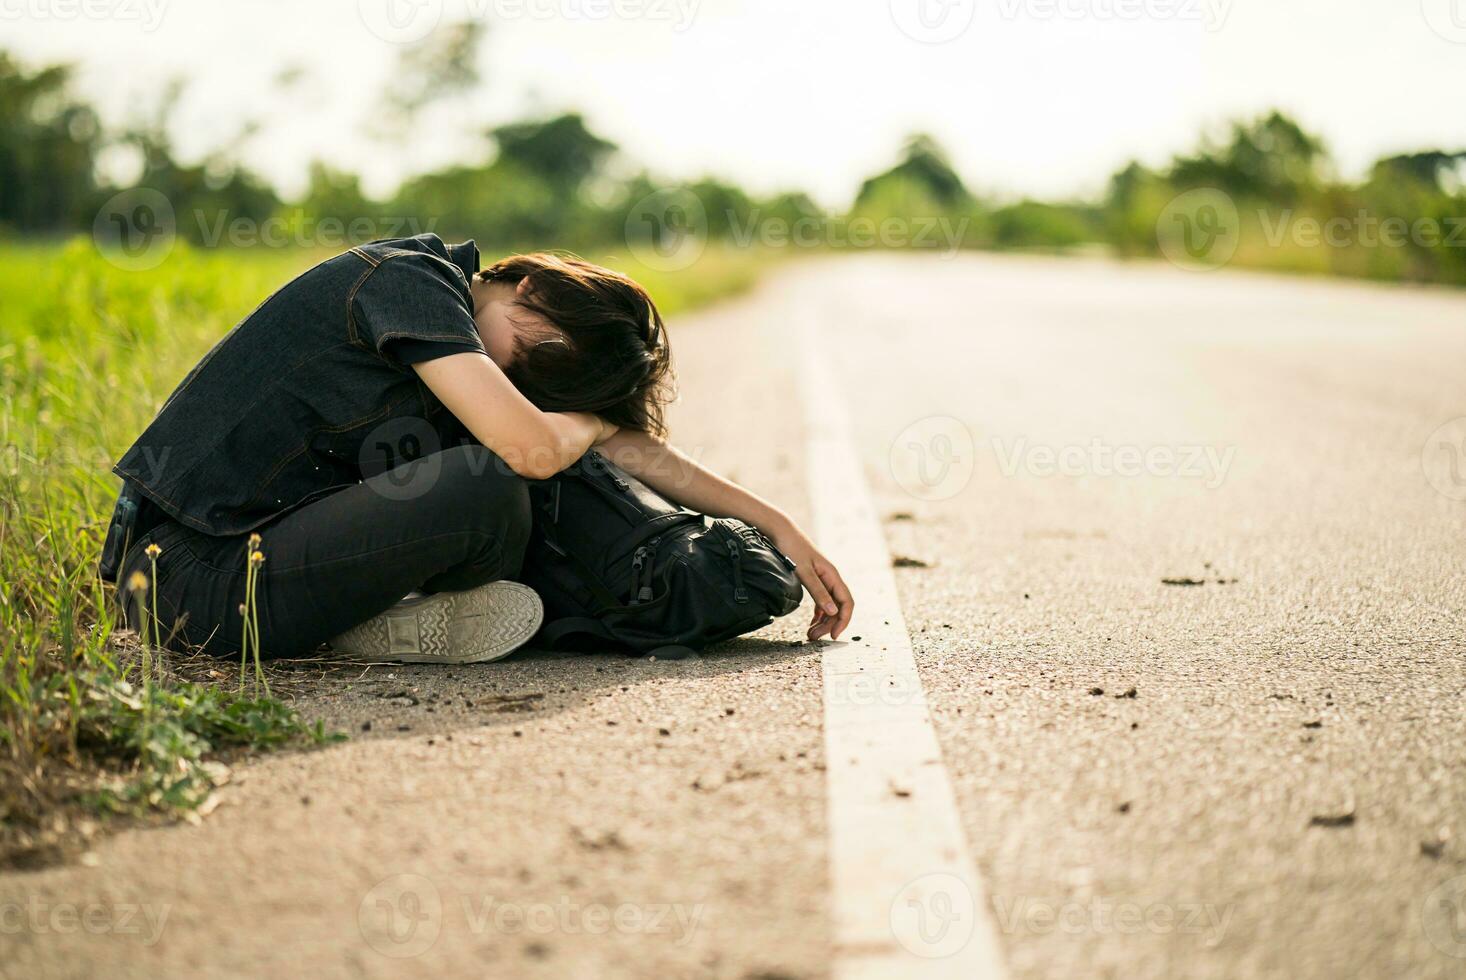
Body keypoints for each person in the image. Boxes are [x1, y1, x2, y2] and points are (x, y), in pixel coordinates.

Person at [104, 234, 853, 663]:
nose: (520, 376)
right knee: (495, 483)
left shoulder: (469, 342)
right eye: (538, 355)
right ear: (526, 284)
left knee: (529, 484)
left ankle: (378, 618)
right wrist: (583, 426)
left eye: (551, 381)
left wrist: (778, 523)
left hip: (272, 561)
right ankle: (366, 627)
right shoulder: (409, 280)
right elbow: (531, 449)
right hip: (185, 580)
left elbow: (632, 450)